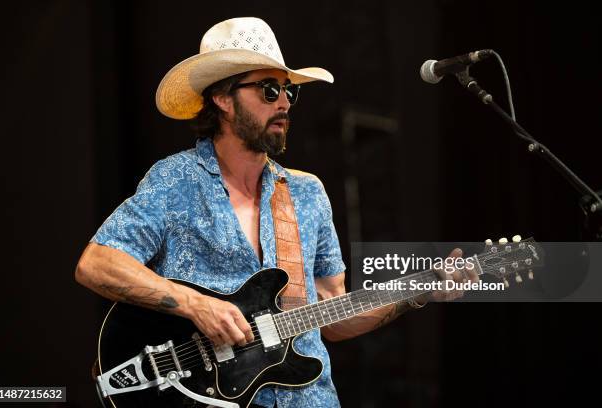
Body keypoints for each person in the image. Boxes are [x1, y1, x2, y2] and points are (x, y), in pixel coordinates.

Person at [75, 17, 477, 408]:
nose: (284, 102)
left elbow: (333, 316)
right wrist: (194, 304)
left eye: (289, 92)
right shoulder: (174, 180)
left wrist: (416, 292)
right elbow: (97, 263)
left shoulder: (307, 193)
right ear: (222, 98)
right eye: (269, 90)